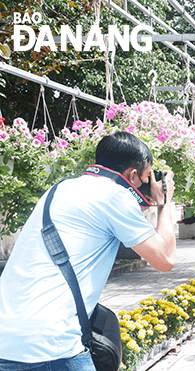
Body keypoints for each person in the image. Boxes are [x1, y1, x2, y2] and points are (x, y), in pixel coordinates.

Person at [0, 131, 177, 370]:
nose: (148, 183)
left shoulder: (58, 189)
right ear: (133, 174)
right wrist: (164, 202)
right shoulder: (114, 196)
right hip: (51, 344)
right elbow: (165, 259)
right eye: (147, 176)